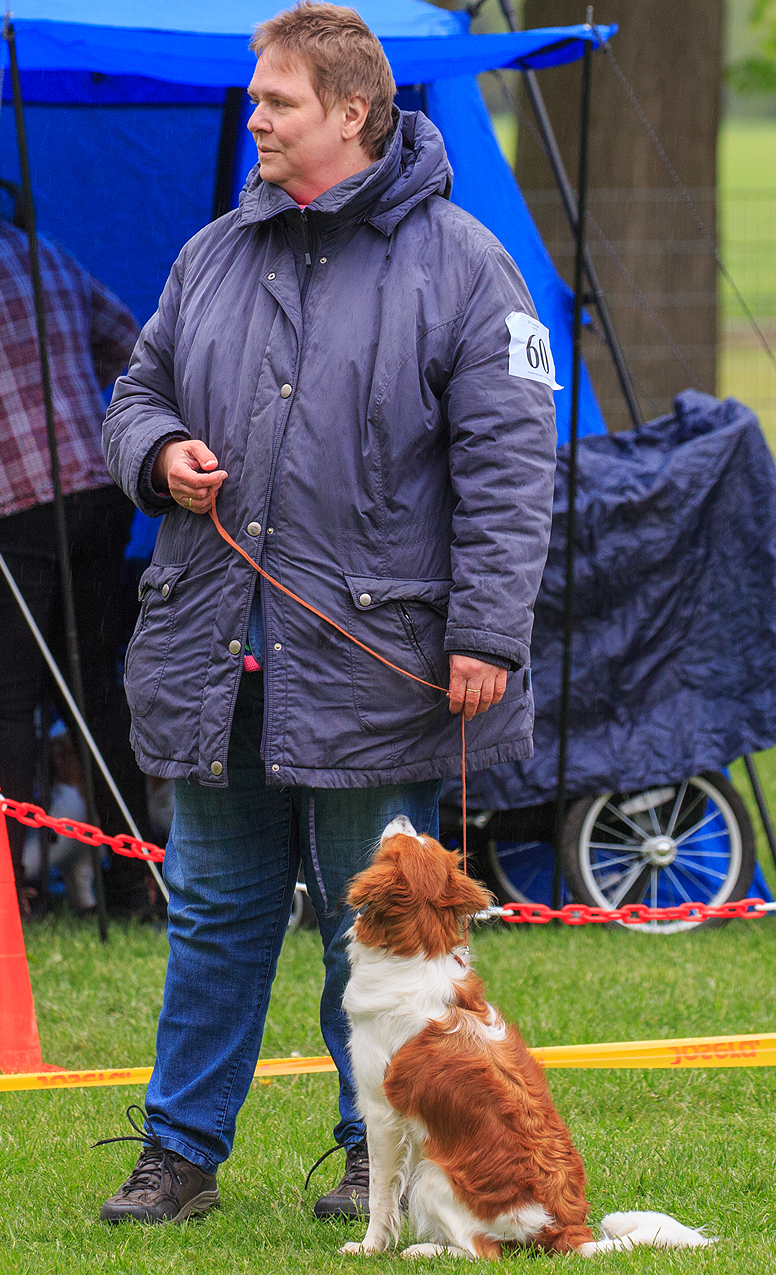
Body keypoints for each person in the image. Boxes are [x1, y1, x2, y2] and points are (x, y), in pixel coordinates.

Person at [99, 0, 558, 1225]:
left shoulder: (465, 260)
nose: (252, 118)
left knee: (375, 938)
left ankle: (376, 1153)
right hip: (214, 651)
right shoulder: (211, 255)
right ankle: (178, 1156)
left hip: (380, 665)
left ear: (350, 113)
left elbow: (513, 464)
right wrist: (160, 453)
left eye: (275, 100)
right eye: (256, 99)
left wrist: (487, 631)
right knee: (210, 915)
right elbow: (134, 388)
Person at [0, 131, 150, 914]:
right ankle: (135, 880)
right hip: (95, 496)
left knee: (5, 702)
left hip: (1, 510)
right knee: (97, 697)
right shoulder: (46, 254)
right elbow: (133, 344)